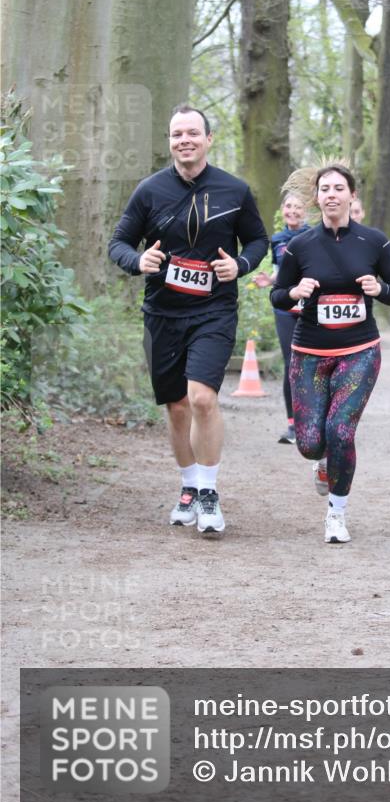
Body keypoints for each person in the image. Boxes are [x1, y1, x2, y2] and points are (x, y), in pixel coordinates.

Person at [108, 105, 268, 535]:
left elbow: (257, 239)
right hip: (162, 312)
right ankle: (188, 487)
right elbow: (118, 243)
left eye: (193, 133)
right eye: (177, 134)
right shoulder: (149, 190)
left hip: (213, 310)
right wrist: (138, 259)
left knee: (202, 399)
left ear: (208, 139)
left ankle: (210, 493)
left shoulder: (235, 190)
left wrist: (242, 264)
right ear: (170, 141)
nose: (185, 140)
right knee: (177, 406)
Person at [270, 161, 390, 543]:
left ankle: (336, 513)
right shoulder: (299, 246)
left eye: (338, 188)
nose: (331, 194)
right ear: (317, 198)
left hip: (359, 350)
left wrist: (380, 290)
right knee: (310, 442)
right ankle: (323, 462)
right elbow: (277, 296)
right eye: (324, 189)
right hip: (310, 352)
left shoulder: (373, 241)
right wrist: (294, 294)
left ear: (351, 195)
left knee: (340, 430)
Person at [252, 192, 310, 443]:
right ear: (282, 210)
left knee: (314, 363)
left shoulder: (315, 236)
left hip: (311, 307)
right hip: (285, 307)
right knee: (291, 363)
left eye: (298, 207)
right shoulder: (276, 239)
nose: (293, 211)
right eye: (289, 206)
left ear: (306, 212)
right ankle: (293, 425)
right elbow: (280, 272)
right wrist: (269, 281)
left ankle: (315, 422)